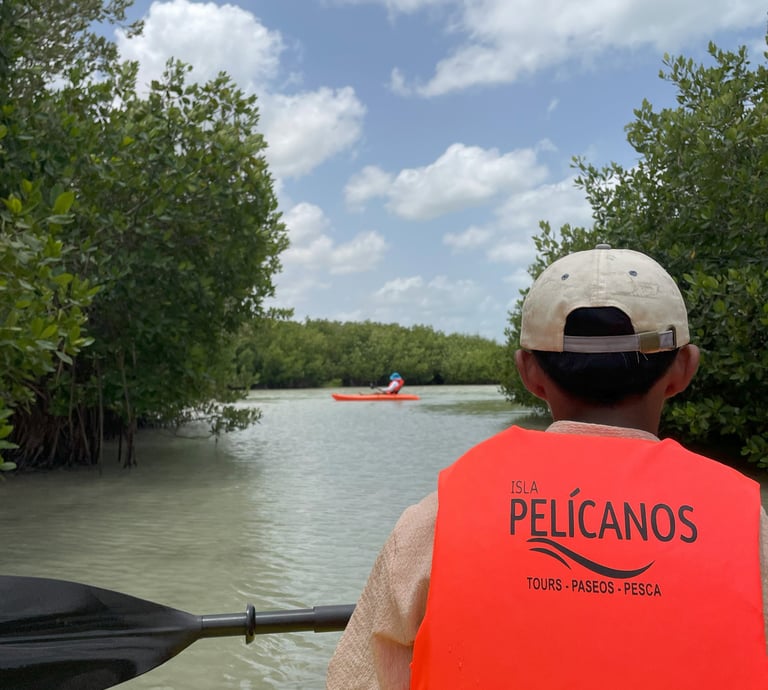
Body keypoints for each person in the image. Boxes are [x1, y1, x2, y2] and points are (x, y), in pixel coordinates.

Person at [326, 245, 768, 689]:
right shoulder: (749, 524)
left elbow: (358, 678)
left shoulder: (438, 517)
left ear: (529, 373)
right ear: (684, 369)